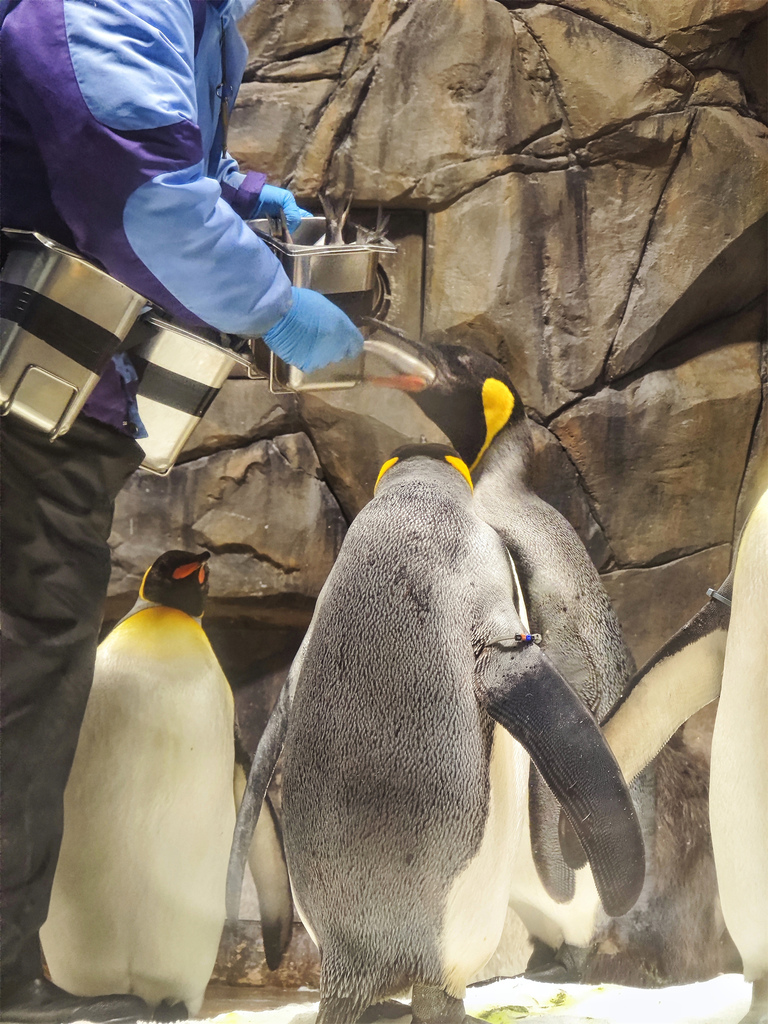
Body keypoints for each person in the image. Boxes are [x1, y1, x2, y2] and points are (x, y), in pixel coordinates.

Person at [0, 2, 363, 1021]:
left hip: (56, 396)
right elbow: (141, 193)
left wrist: (250, 199)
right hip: (22, 396)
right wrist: (271, 300)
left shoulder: (189, 17)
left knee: (39, 645)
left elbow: (157, 147)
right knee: (23, 654)